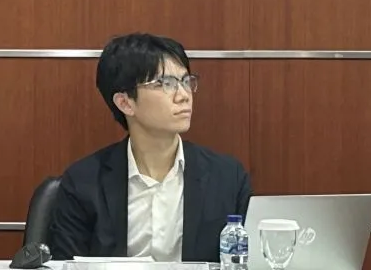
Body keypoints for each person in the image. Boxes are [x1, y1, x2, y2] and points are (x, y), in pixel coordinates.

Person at [47, 33, 251, 263]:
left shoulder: (227, 178)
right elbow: (65, 265)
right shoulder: (83, 182)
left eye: (186, 81)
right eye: (166, 84)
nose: (184, 96)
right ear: (125, 103)